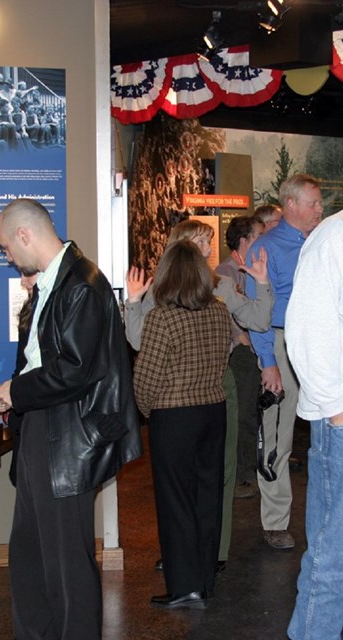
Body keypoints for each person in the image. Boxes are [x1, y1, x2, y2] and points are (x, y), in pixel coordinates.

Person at [0, 198, 142, 640]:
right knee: (31, 555)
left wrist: (16, 391)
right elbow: (44, 358)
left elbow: (76, 370)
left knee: (67, 565)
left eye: (5, 248)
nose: (7, 258)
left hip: (68, 438)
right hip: (44, 429)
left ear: (24, 235)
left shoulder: (83, 284)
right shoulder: (54, 282)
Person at [126, 219, 272, 572]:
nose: (209, 251)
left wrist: (262, 283)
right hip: (178, 394)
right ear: (183, 246)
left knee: (217, 476)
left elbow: (259, 320)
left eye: (208, 243)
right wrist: (133, 302)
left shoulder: (220, 286)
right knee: (180, 481)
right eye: (202, 243)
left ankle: (213, 553)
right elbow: (138, 341)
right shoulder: (159, 289)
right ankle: (182, 554)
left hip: (219, 388)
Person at [133, 240, 232, 610]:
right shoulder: (219, 312)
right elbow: (223, 360)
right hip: (213, 411)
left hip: (174, 417)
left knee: (175, 502)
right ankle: (204, 580)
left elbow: (145, 377)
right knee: (208, 498)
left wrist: (149, 412)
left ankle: (183, 586)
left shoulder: (162, 318)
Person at [245, 173, 323, 550]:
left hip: (320, 344)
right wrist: (267, 361)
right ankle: (275, 521)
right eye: (314, 204)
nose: (320, 210)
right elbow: (258, 311)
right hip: (280, 345)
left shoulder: (320, 243)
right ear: (291, 205)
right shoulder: (265, 249)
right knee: (278, 437)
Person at [285, 210, 343, 640]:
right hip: (340, 422)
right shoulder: (333, 238)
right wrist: (338, 410)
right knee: (331, 559)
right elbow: (306, 332)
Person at [215, 216, 264, 500]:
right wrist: (239, 336)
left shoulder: (248, 269)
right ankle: (243, 476)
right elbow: (228, 310)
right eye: (258, 235)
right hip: (240, 353)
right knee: (243, 414)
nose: (263, 240)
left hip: (253, 348)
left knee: (251, 412)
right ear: (244, 240)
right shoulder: (226, 271)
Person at [5, 272, 37, 486]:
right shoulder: (30, 310)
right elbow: (21, 366)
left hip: (35, 415)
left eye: (28, 275)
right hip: (24, 412)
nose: (22, 281)